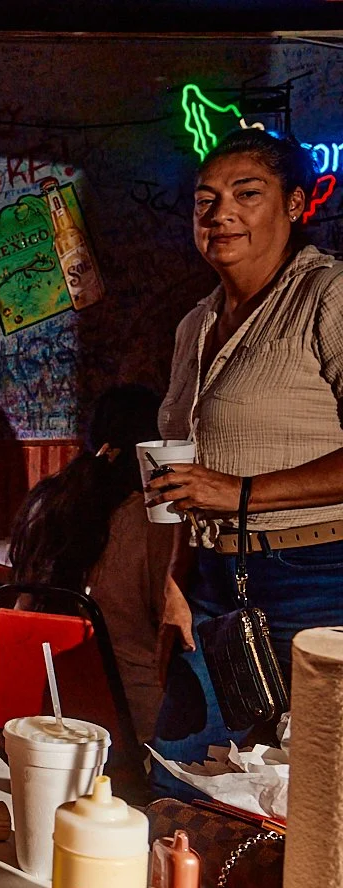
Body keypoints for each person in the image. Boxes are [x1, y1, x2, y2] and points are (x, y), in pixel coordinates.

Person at [149, 128, 343, 773]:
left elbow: (220, 485)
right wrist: (176, 581)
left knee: (313, 785)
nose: (220, 213)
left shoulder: (328, 296)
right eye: (205, 200)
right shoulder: (195, 323)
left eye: (246, 194)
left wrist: (240, 492)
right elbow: (185, 476)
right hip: (212, 580)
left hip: (317, 577)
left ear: (295, 204)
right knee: (183, 772)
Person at [8, 385, 174, 740]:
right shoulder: (150, 521)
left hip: (49, 707)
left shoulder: (50, 501)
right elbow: (170, 624)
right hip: (132, 717)